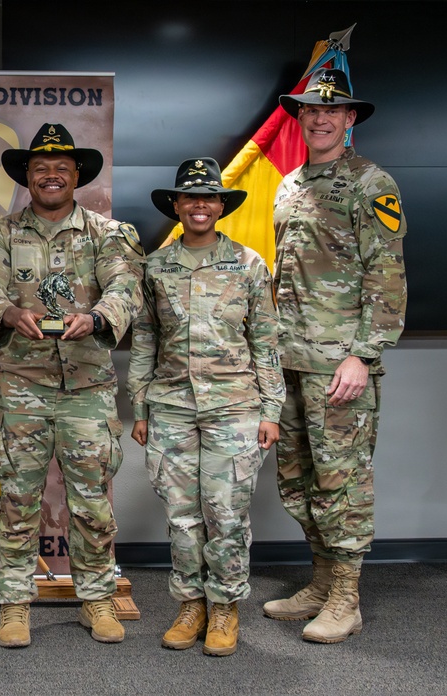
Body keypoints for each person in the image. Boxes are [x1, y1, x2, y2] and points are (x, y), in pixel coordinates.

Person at [0, 123, 144, 648]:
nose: (50, 175)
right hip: (22, 386)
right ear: (27, 176)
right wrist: (6, 311)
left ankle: (97, 600)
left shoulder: (108, 234)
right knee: (18, 499)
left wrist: (100, 315)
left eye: (61, 167)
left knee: (92, 502)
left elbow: (125, 285)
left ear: (77, 174)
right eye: (40, 167)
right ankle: (15, 605)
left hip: (87, 388)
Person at [265, 68, 407, 644]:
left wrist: (363, 354)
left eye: (332, 111)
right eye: (310, 111)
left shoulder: (372, 184)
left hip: (339, 366)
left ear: (350, 120)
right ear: (301, 119)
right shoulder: (290, 184)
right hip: (290, 359)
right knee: (298, 479)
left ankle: (347, 598)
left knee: (342, 481)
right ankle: (322, 582)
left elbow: (387, 275)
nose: (319, 118)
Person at [127, 158, 284, 656]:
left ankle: (224, 608)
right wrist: (142, 407)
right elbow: (145, 340)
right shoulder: (155, 267)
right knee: (182, 515)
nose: (199, 205)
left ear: (221, 206)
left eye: (208, 197)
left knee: (227, 514)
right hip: (171, 406)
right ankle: (191, 602)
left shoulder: (249, 264)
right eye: (189, 197)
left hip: (234, 406)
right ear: (175, 206)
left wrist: (271, 410)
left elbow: (266, 341)